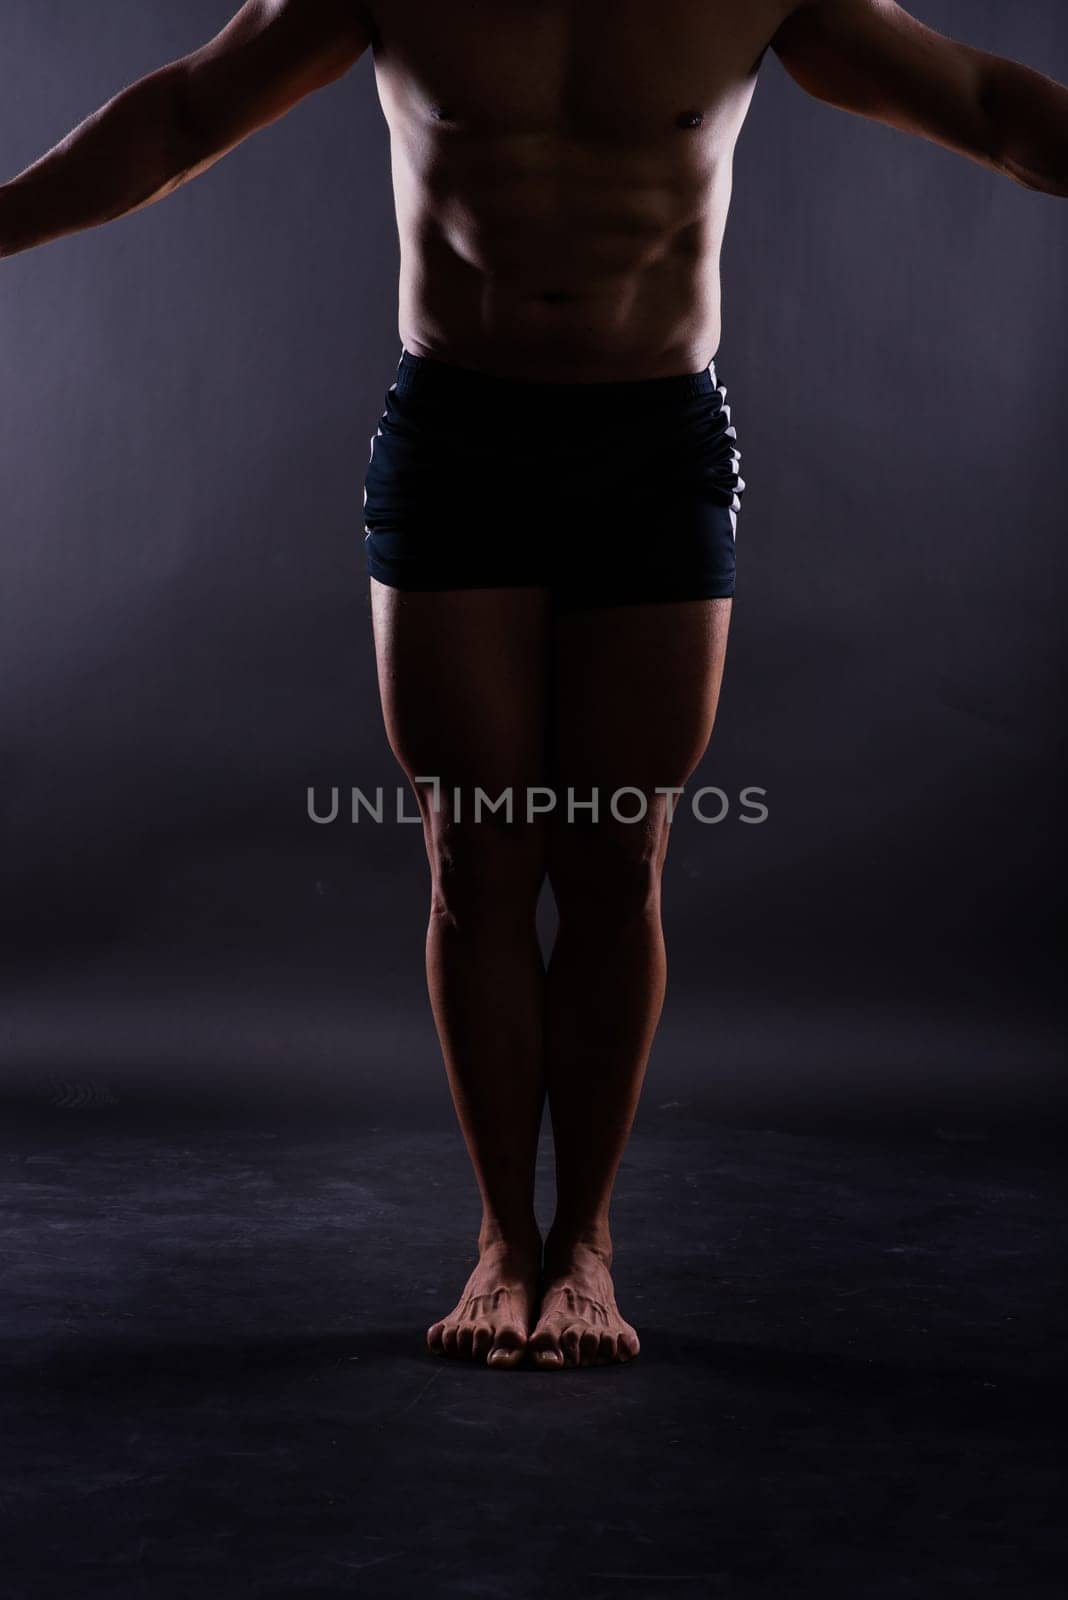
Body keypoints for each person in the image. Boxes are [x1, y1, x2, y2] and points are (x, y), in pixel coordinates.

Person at [2, 1, 1065, 1371]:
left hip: (654, 443)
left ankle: (591, 1250)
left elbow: (983, 102)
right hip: (459, 438)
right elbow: (185, 115)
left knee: (619, 862)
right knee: (473, 861)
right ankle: (507, 1241)